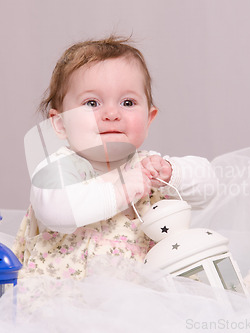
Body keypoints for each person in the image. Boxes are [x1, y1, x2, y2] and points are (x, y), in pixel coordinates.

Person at [12, 36, 217, 279]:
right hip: (67, 299)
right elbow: (57, 212)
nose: (111, 113)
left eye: (127, 102)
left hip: (140, 299)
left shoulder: (147, 166)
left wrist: (172, 173)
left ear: (149, 118)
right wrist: (122, 190)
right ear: (60, 124)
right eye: (91, 103)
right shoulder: (58, 168)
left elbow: (208, 187)